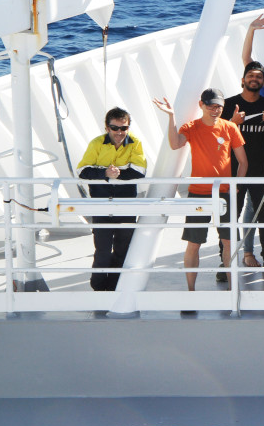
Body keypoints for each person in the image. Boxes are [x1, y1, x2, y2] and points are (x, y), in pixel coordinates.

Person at [153, 89, 247, 291]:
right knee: (194, 243)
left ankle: (233, 292)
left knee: (229, 242)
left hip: (224, 194)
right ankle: (190, 291)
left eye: (219, 106)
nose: (215, 110)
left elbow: (243, 162)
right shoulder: (192, 127)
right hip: (198, 193)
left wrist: (235, 185)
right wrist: (171, 116)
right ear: (201, 105)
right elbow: (175, 143)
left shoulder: (230, 127)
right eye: (211, 105)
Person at [76, 107, 147, 292]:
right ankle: (98, 288)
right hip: (101, 207)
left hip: (126, 207)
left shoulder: (135, 143)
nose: (119, 132)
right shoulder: (96, 143)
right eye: (114, 128)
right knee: (103, 251)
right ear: (107, 128)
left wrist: (116, 175)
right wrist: (106, 173)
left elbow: (140, 172)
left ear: (128, 128)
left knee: (123, 249)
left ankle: (115, 286)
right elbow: (82, 171)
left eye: (123, 128)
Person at [222, 61, 264, 273]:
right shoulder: (228, 105)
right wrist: (232, 123)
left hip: (261, 171)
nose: (254, 79)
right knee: (229, 217)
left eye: (258, 77)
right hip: (233, 171)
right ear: (243, 80)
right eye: (250, 76)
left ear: (262, 82)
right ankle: (225, 262)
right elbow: (218, 138)